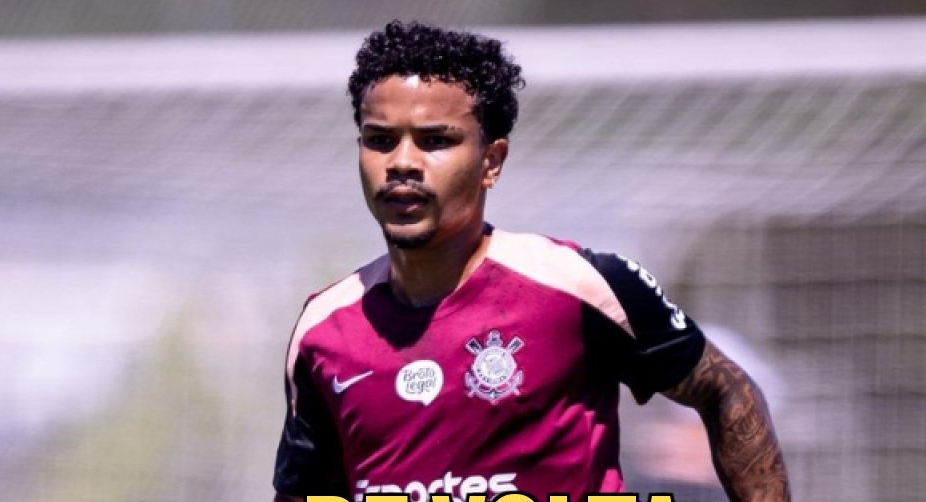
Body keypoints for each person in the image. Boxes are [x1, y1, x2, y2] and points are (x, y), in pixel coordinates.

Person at [273, 20, 789, 502]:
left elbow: (727, 391)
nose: (402, 162)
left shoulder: (580, 286)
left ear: (491, 161)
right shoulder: (323, 331)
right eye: (380, 140)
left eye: (435, 141)